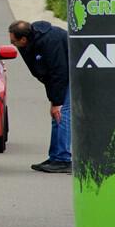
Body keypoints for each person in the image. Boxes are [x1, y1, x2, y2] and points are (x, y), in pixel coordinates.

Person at [8, 20, 72, 173]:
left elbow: (59, 73)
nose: (12, 44)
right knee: (56, 115)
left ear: (23, 39)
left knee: (62, 113)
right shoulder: (28, 45)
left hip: (71, 75)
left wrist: (57, 102)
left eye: (13, 41)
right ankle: (55, 156)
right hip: (58, 78)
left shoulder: (51, 41)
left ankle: (63, 159)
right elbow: (44, 74)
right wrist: (53, 100)